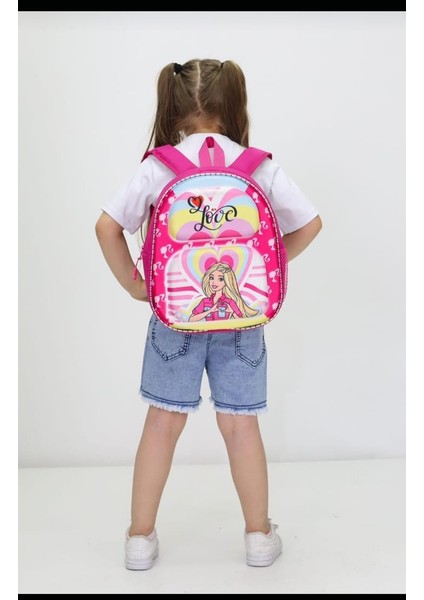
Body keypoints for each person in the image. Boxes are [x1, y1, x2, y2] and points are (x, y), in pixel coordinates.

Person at [95, 59, 322, 570]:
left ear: (174, 106)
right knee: (241, 427)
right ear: (233, 103)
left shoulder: (160, 166)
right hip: (243, 320)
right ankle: (259, 537)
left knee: (161, 424)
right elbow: (310, 223)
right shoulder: (257, 166)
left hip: (173, 318)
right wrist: (270, 265)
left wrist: (136, 285)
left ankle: (139, 539)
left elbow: (106, 227)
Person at [188, 262, 257, 322]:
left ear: (226, 282)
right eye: (211, 278)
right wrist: (209, 311)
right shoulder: (205, 302)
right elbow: (191, 319)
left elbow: (242, 321)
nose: (214, 282)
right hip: (207, 332)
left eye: (220, 279)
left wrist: (232, 312)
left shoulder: (230, 302)